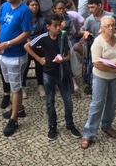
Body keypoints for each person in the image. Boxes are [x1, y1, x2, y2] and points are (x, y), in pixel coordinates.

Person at [24, 14, 82, 142]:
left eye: (59, 25)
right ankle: (52, 125)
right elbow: (27, 46)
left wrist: (62, 59)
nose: (58, 28)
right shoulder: (43, 37)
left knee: (68, 101)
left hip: (62, 73)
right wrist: (39, 59)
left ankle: (70, 124)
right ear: (48, 27)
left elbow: (68, 56)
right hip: (48, 74)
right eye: (55, 26)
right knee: (50, 101)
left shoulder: (64, 37)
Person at [81, 15, 116, 149]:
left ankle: (107, 125)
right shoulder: (98, 42)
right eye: (107, 26)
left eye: (112, 25)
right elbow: (96, 64)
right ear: (102, 28)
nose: (110, 28)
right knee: (97, 103)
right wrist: (114, 69)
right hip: (101, 76)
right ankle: (88, 133)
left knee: (112, 102)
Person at [0, 0, 32, 137]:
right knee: (10, 83)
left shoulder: (25, 11)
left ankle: (14, 119)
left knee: (16, 88)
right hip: (3, 53)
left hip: (16, 54)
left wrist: (8, 43)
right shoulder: (4, 6)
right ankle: (19, 109)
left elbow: (27, 33)